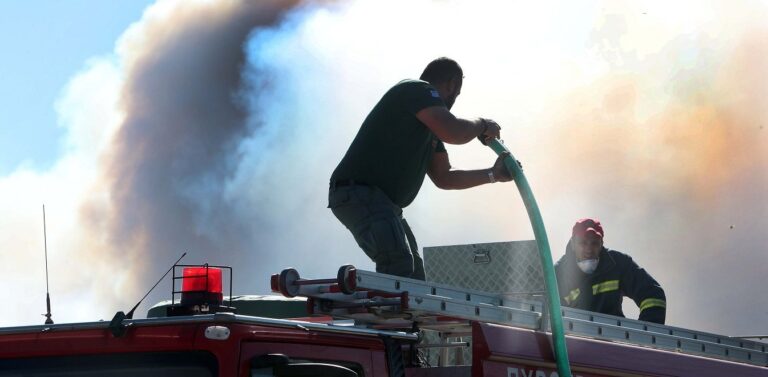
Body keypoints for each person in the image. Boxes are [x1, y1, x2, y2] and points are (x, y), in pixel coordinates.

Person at [328, 57, 514, 280]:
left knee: (414, 275)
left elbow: (444, 177)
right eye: (457, 93)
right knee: (398, 265)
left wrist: (494, 174)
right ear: (452, 84)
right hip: (360, 193)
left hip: (380, 202)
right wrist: (482, 124)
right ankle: (376, 314)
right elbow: (453, 131)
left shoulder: (428, 126)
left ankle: (399, 314)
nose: (454, 100)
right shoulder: (417, 90)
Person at [554, 218, 667, 324]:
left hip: (613, 340)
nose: (589, 249)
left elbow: (653, 295)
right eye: (583, 243)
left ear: (602, 244)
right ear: (573, 244)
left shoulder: (619, 264)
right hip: (573, 341)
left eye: (594, 243)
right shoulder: (556, 274)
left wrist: (645, 333)